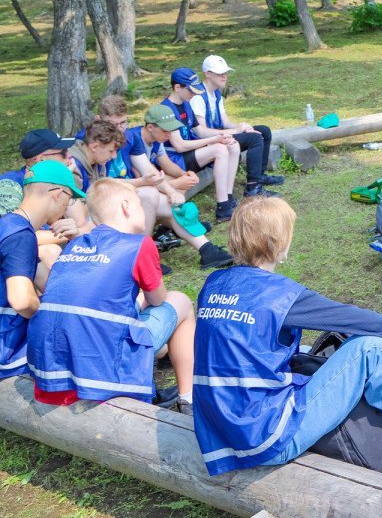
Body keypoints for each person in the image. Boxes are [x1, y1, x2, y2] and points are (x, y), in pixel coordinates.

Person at [192, 197, 382, 475]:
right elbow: (372, 323)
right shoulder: (278, 293)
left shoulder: (213, 285)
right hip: (264, 436)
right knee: (371, 350)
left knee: (311, 349)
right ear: (279, 243)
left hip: (220, 431)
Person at [28, 178, 196, 409]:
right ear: (126, 206)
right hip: (102, 369)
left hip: (51, 372)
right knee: (182, 301)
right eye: (139, 204)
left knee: (128, 303)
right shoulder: (140, 244)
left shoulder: (76, 244)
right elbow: (158, 298)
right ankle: (188, 398)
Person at [85, 99, 232, 269]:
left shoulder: (129, 137)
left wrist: (171, 192)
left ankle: (207, 250)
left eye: (123, 122)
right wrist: (145, 182)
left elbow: (149, 171)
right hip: (102, 204)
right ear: (98, 121)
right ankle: (143, 259)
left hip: (122, 194)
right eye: (114, 123)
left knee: (169, 203)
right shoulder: (91, 140)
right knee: (149, 193)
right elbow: (99, 186)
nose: (120, 128)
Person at [0, 161, 82, 380]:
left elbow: (51, 286)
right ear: (57, 194)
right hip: (6, 352)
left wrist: (76, 241)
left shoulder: (9, 225)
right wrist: (49, 315)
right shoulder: (20, 236)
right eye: (69, 197)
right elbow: (22, 301)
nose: (68, 205)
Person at [192, 54, 285, 198]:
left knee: (263, 131)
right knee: (254, 138)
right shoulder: (198, 96)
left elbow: (224, 122)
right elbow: (202, 132)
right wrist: (236, 130)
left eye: (225, 72)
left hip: (220, 135)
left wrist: (243, 126)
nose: (224, 76)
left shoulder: (216, 93)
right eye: (219, 73)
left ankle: (259, 176)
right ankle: (253, 188)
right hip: (208, 143)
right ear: (207, 74)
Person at [162, 67, 243, 222]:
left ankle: (228, 197)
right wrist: (214, 140)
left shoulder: (186, 103)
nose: (193, 94)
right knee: (219, 150)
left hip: (189, 152)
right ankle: (223, 207)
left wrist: (222, 135)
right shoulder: (167, 109)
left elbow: (199, 130)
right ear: (177, 87)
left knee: (232, 145)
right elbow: (179, 146)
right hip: (175, 158)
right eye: (190, 91)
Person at [1, 131, 82, 254]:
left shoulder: (54, 183)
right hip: (18, 256)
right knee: (49, 251)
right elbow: (12, 234)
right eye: (63, 153)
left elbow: (80, 221)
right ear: (41, 159)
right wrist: (67, 235)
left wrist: (65, 180)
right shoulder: (9, 184)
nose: (70, 156)